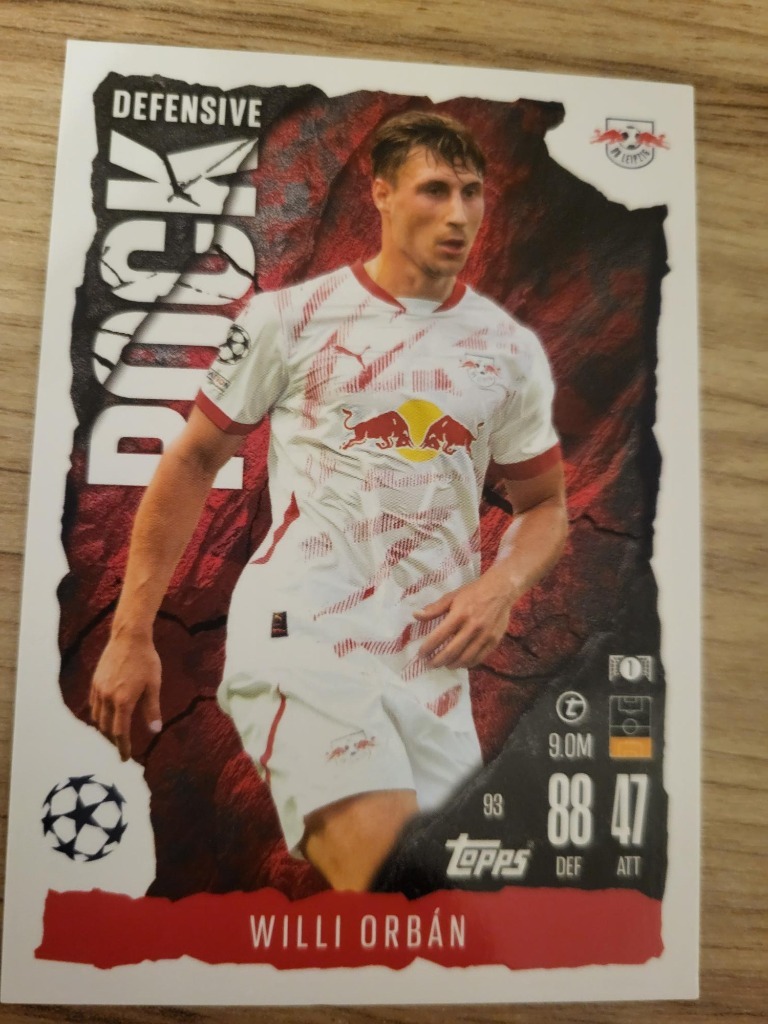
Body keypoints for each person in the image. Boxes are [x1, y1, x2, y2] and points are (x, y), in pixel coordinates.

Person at [90, 110, 568, 892]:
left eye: (472, 192)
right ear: (380, 193)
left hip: (431, 666)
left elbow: (544, 504)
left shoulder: (509, 351)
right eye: (434, 190)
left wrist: (501, 586)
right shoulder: (288, 319)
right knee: (388, 877)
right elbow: (194, 458)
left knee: (444, 915)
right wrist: (130, 631)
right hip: (304, 628)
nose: (458, 214)